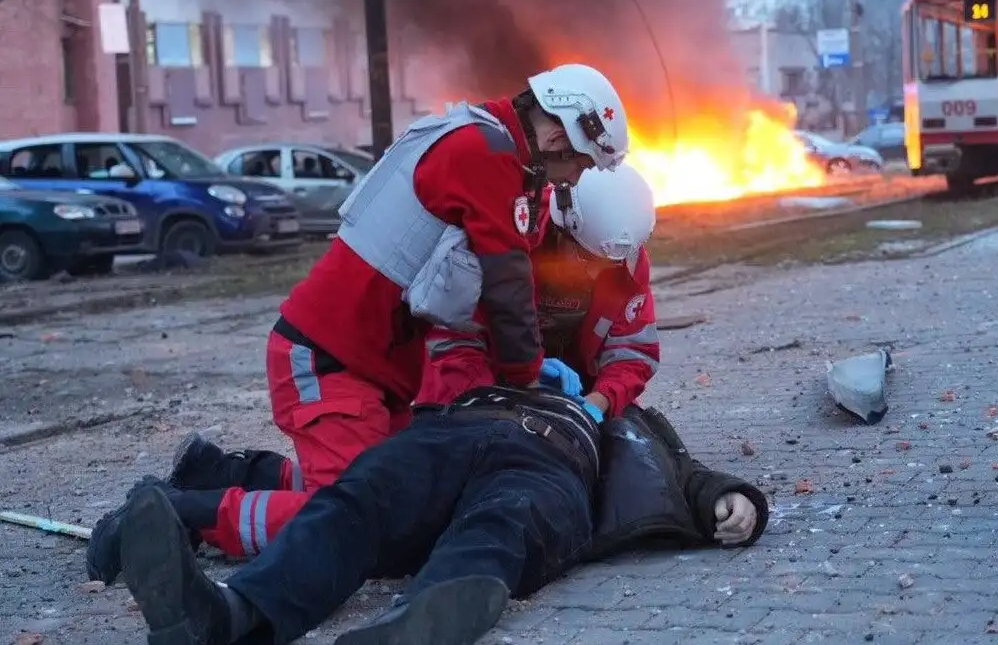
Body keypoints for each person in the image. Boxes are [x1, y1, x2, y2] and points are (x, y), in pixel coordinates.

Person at [84, 63, 631, 586]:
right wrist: (527, 380)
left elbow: (486, 295)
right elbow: (507, 287)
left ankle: (225, 475)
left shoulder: (487, 148)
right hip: (330, 360)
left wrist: (514, 374)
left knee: (405, 495)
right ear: (563, 139)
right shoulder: (484, 155)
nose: (574, 180)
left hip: (372, 370)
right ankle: (173, 517)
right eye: (581, 166)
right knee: (355, 518)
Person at [116, 385, 769, 645]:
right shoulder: (487, 353)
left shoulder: (619, 404)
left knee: (503, 523)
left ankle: (414, 626)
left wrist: (727, 497)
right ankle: (229, 617)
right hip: (447, 438)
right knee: (353, 503)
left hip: (550, 467)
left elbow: (677, 466)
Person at [420, 162, 659, 419]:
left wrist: (599, 402)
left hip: (574, 396)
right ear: (561, 230)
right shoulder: (501, 240)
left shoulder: (620, 257)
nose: (595, 273)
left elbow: (633, 353)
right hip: (478, 388)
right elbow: (453, 343)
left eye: (608, 265)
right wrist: (509, 386)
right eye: (587, 258)